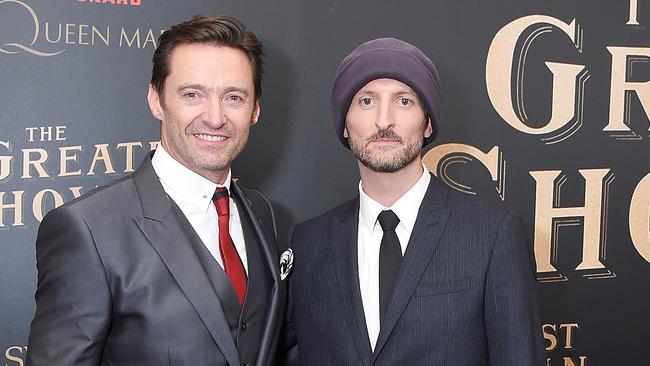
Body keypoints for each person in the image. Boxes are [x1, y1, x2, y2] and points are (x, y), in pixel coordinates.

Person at [26, 15, 284, 366]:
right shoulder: (87, 229)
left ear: (255, 110)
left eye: (234, 97)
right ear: (156, 100)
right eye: (193, 94)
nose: (215, 117)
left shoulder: (261, 212)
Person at [283, 37, 545, 365]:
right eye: (366, 101)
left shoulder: (492, 233)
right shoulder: (308, 244)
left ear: (428, 122)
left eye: (403, 101)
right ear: (345, 126)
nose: (383, 121)